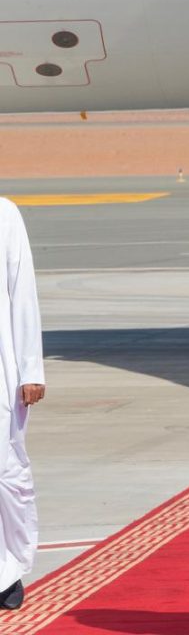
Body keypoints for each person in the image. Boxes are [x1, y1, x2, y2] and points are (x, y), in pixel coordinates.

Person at [0, 198, 45, 611]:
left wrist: (32, 368)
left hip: (2, 372)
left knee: (6, 474)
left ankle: (8, 569)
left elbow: (22, 293)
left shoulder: (5, 214)